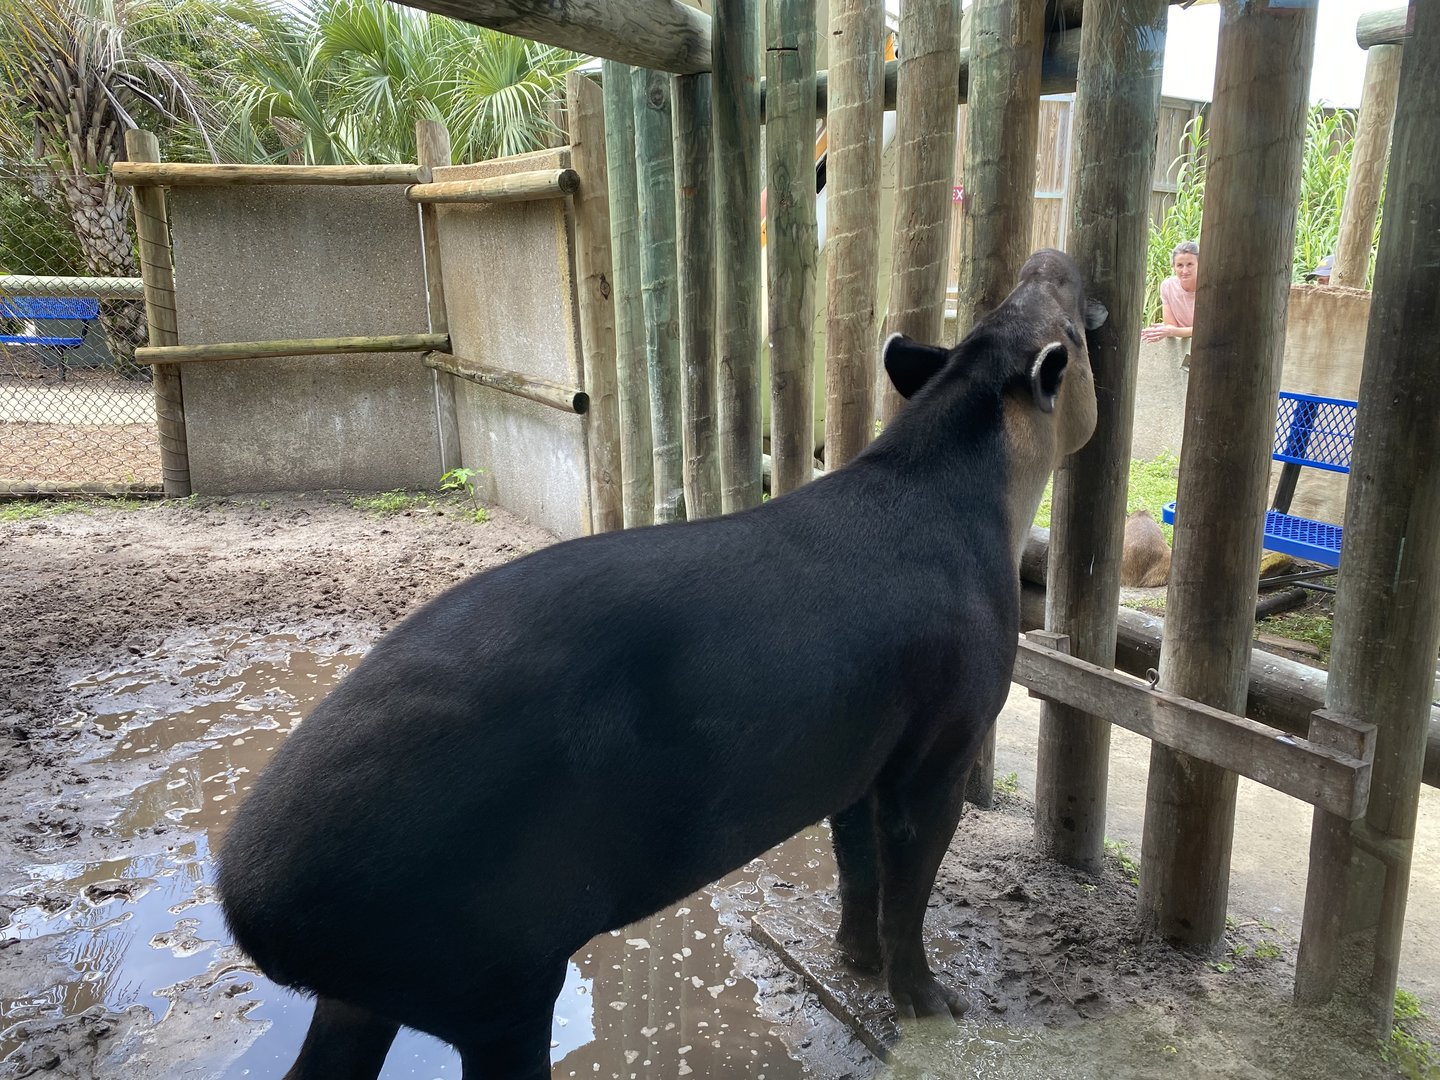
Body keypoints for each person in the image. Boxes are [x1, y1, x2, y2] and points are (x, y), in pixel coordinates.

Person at [1141, 240, 1198, 343]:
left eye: (1190, 264)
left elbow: (1206, 329)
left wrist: (1172, 331)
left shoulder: (1209, 288)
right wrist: (1165, 330)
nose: (1184, 271)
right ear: (1173, 267)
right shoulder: (1167, 286)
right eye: (1180, 265)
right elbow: (1171, 326)